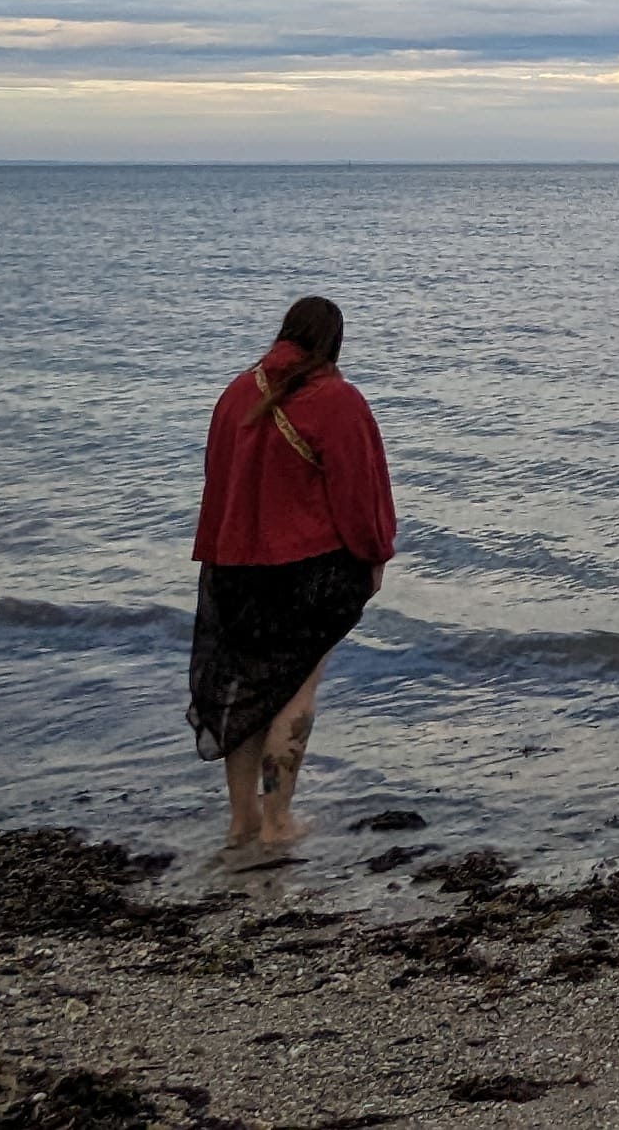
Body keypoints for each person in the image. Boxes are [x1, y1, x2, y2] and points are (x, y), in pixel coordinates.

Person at [187, 294, 397, 852]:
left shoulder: (236, 392)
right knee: (294, 691)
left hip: (232, 566)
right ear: (333, 342)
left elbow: (217, 479)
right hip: (305, 572)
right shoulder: (336, 400)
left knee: (246, 691)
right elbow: (358, 493)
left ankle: (242, 823)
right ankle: (279, 822)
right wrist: (375, 555)